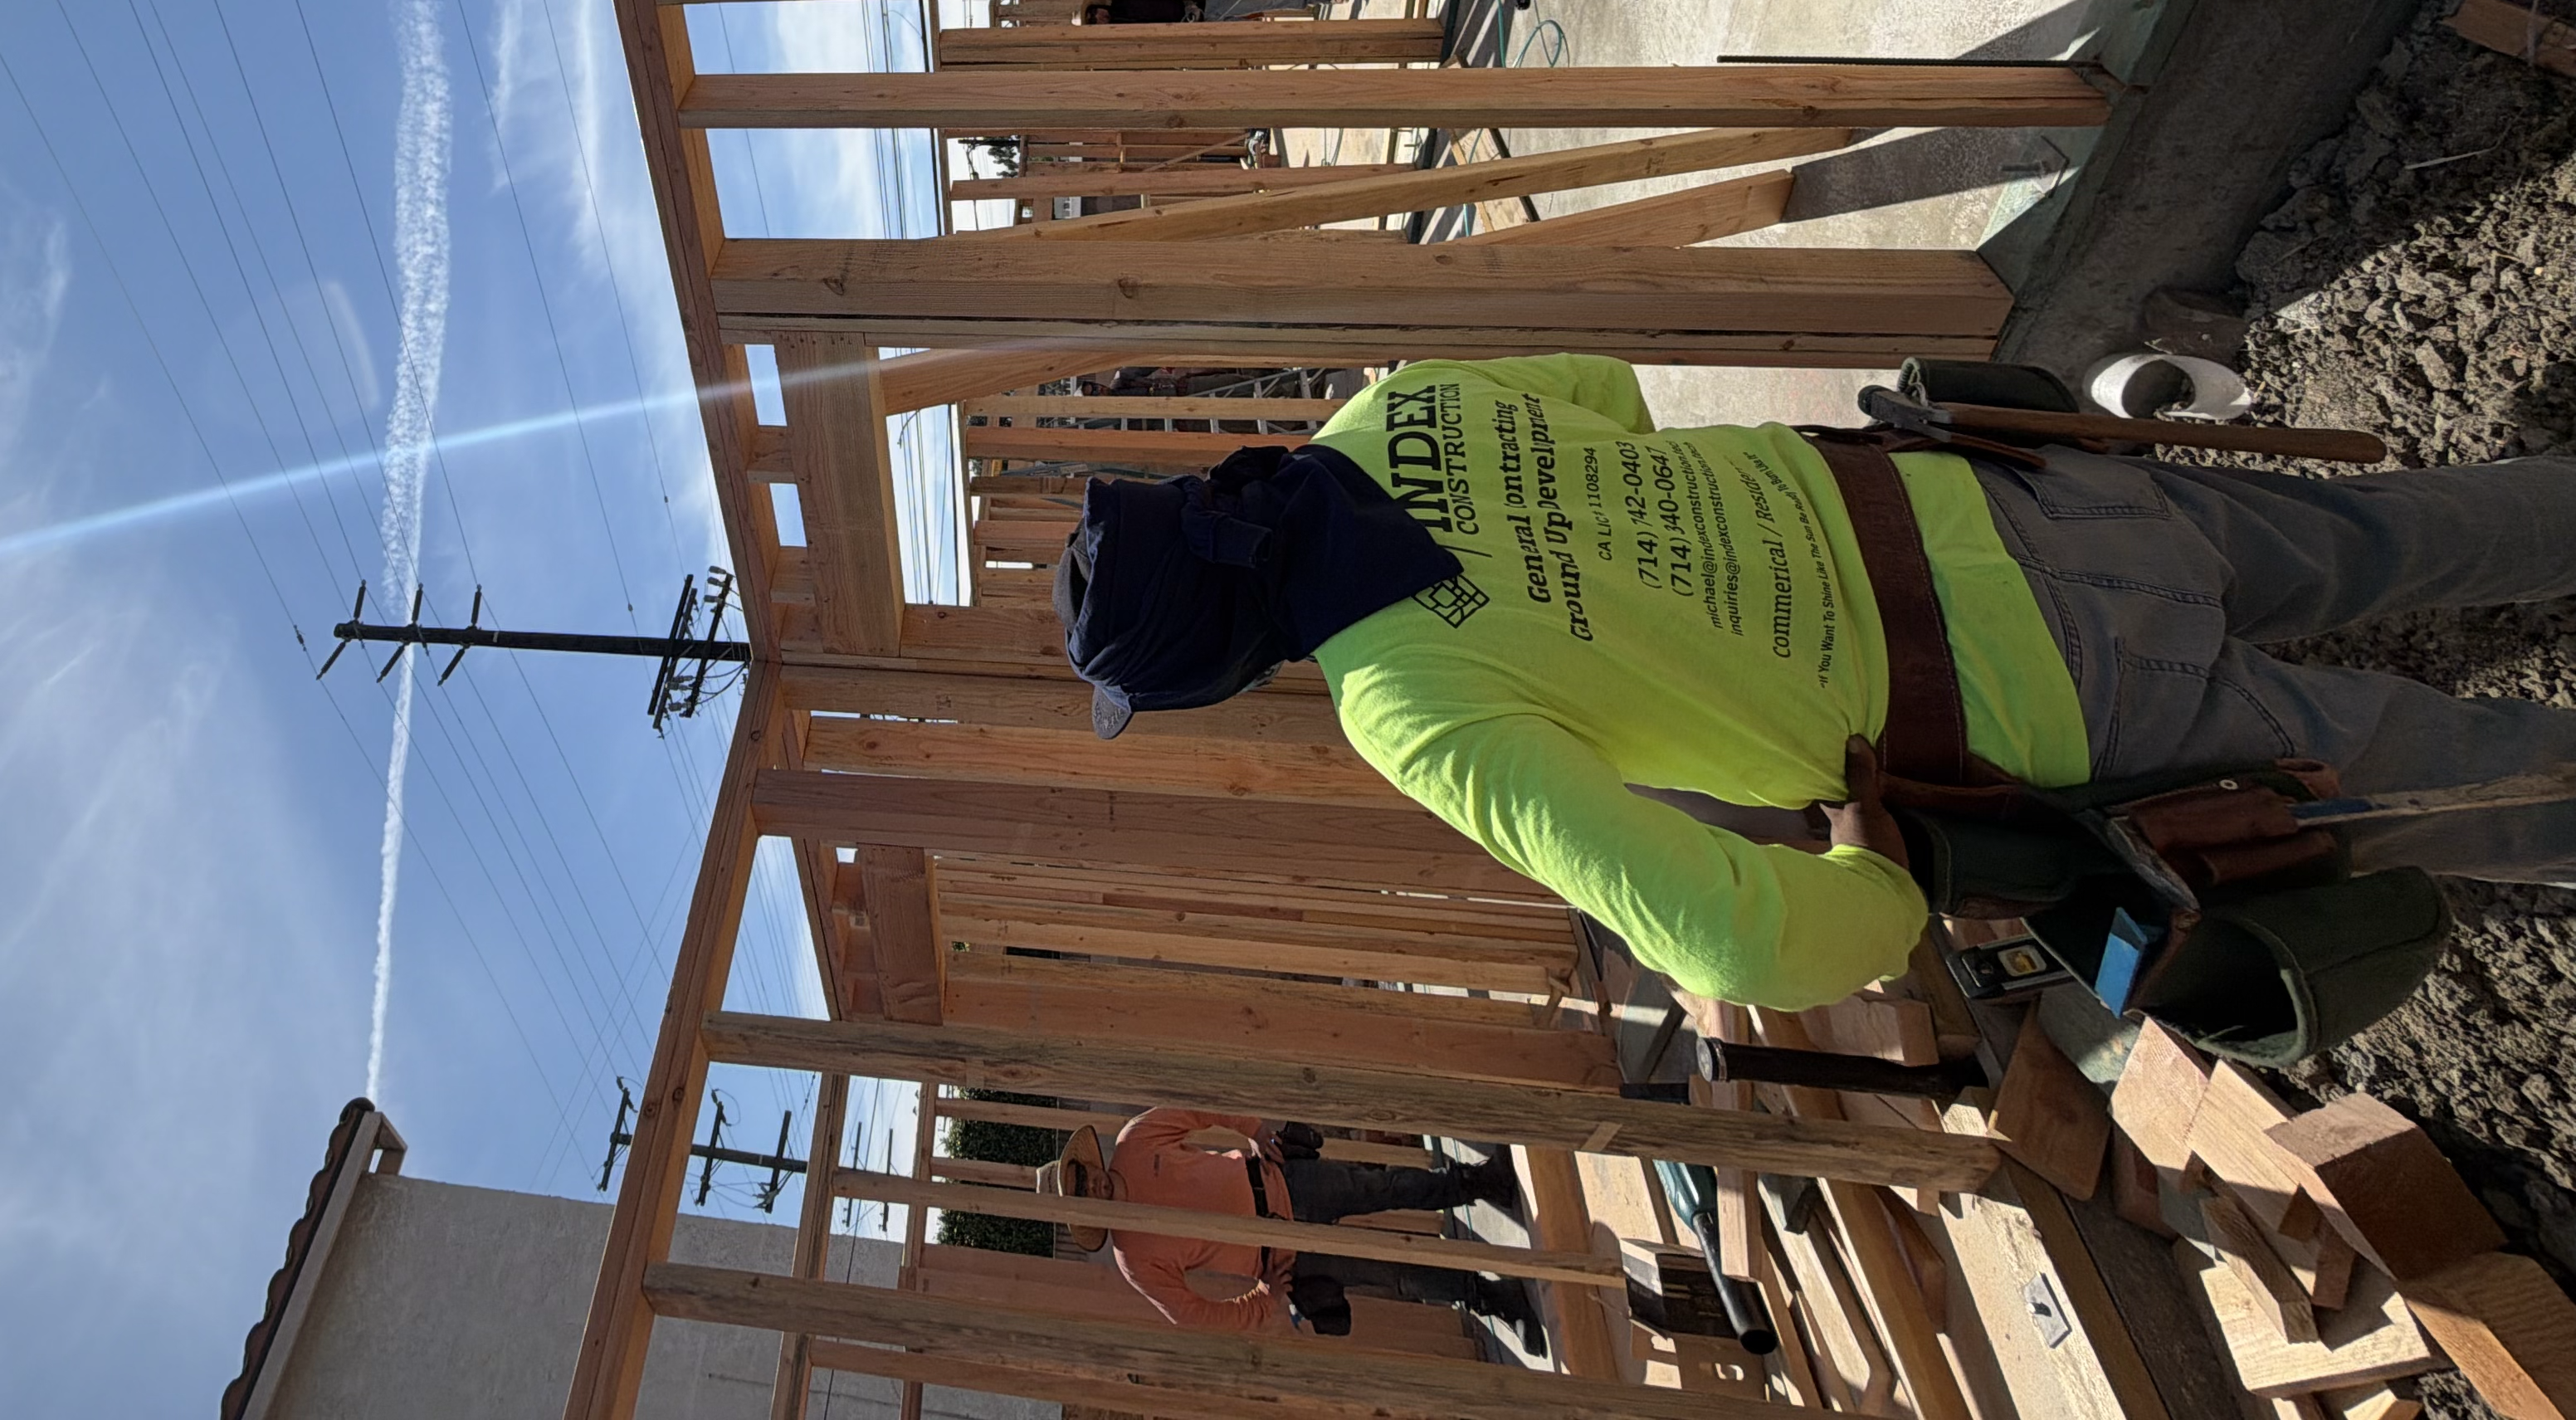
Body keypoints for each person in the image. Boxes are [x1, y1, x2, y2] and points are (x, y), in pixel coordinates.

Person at [1047, 354, 2576, 1010]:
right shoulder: (1385, 409)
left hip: (2052, 698)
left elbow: (1731, 938)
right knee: (2407, 530)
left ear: (1223, 667)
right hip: (2017, 499)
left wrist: (1883, 883)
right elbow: (1606, 401)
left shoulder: (1409, 704)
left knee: (2476, 783)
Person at [1036, 1110, 1544, 1349]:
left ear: (1088, 1162)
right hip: (1280, 1258)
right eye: (1080, 1192)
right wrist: (1265, 1300)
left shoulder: (1136, 1140)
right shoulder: (1133, 1258)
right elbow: (1192, 1317)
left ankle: (1477, 1182)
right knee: (1393, 1276)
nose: (1092, 1185)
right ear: (1084, 1214)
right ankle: (1493, 1298)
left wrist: (1256, 1131)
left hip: (1281, 1181)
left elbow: (1199, 1108)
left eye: (1081, 1175)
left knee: (1380, 1187)